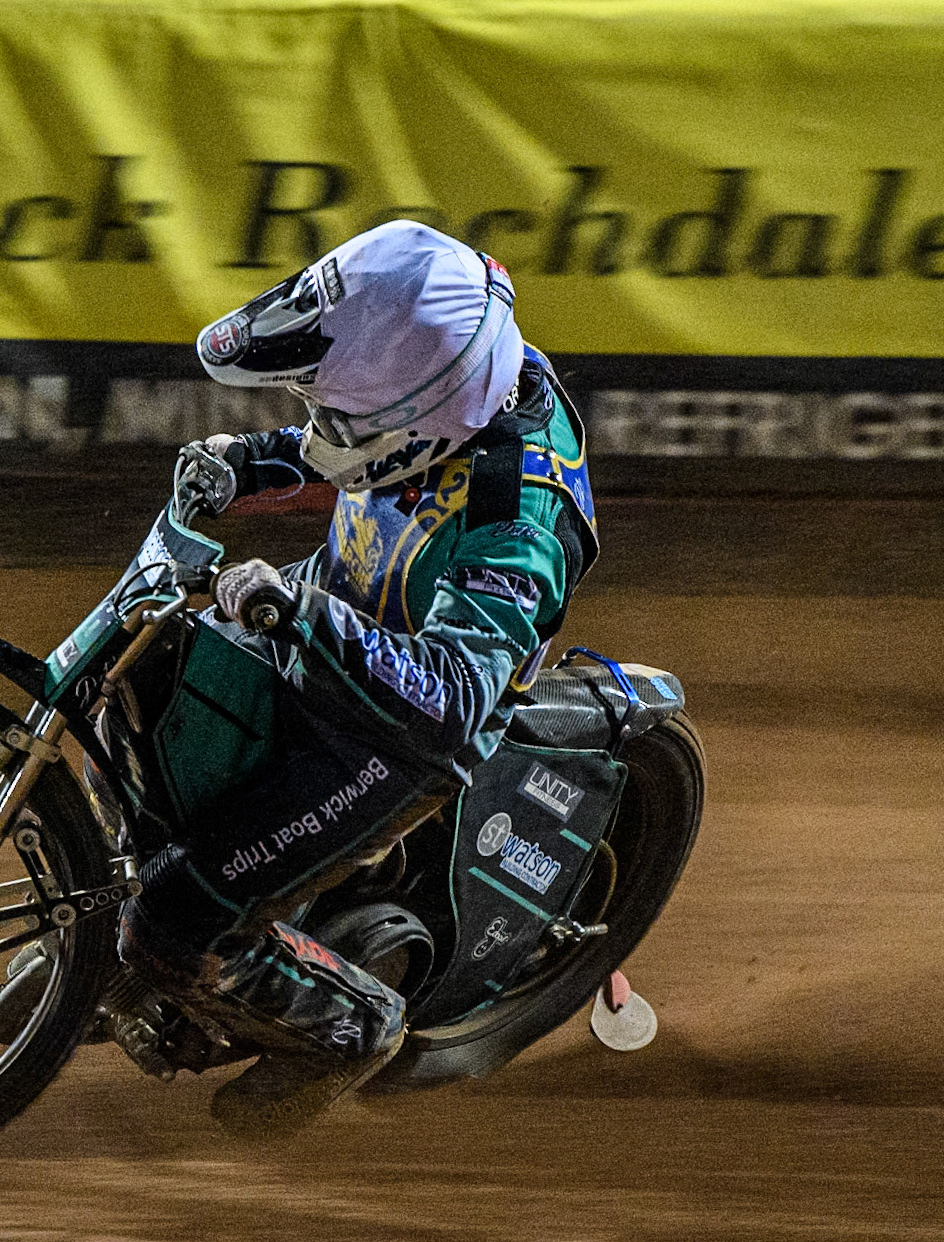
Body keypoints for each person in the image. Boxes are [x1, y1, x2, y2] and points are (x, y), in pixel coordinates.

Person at [117, 219, 600, 1136]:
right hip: (338, 609)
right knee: (148, 706)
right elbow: (353, 450)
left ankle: (350, 1027)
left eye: (329, 410)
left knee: (180, 910)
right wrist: (247, 465)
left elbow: (455, 699)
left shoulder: (518, 525)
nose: (316, 418)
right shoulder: (453, 365)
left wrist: (303, 614)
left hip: (397, 731)